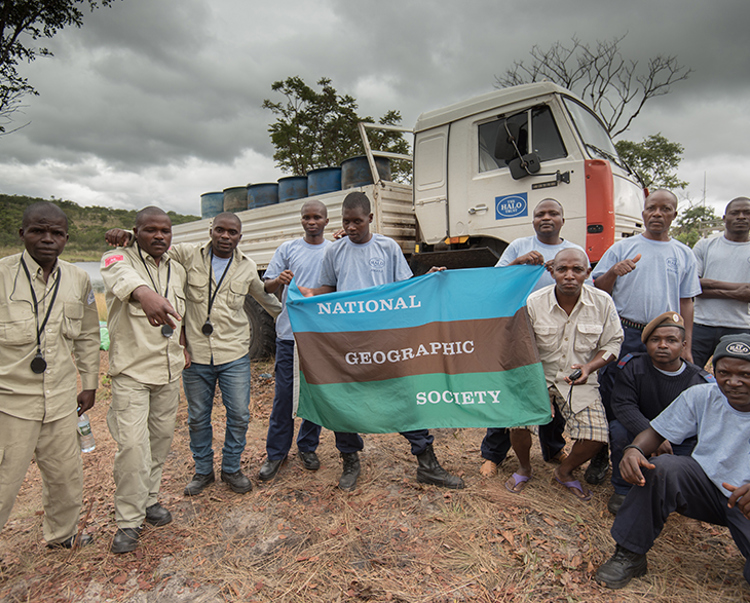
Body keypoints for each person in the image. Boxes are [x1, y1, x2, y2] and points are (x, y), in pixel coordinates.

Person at [105, 212, 283, 496]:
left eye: (232, 232)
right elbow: (152, 244)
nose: (226, 237)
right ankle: (203, 471)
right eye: (220, 230)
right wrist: (127, 234)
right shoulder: (187, 255)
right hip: (196, 355)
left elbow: (268, 301)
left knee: (238, 415)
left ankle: (231, 469)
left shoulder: (247, 267)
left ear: (240, 236)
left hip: (234, 354)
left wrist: (303, 322)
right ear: (211, 231)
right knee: (198, 417)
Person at [302, 191, 464, 492]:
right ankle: (350, 461)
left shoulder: (387, 247)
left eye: (357, 222)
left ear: (370, 219)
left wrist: (427, 279)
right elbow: (329, 286)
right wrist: (309, 295)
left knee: (400, 397)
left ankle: (427, 463)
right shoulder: (334, 252)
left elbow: (403, 289)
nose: (351, 228)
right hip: (347, 342)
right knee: (343, 400)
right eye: (346, 222)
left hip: (385, 342)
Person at [595, 334, 750, 589]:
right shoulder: (703, 395)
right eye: (724, 372)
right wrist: (634, 450)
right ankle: (630, 555)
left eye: (744, 374)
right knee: (662, 468)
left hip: (745, 499)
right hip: (708, 486)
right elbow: (657, 432)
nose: (733, 382)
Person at [0, 202, 100, 549]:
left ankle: (63, 535)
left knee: (65, 476)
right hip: (10, 402)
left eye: (56, 233)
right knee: (4, 482)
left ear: (66, 238)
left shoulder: (78, 279)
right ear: (22, 233)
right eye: (38, 231)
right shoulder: (2, 276)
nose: (47, 239)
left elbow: (88, 335)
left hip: (60, 399)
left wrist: (89, 384)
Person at [589, 189, 701, 485]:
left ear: (674, 215)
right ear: (643, 213)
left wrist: (686, 341)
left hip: (665, 336)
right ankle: (602, 451)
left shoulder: (683, 253)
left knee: (657, 394)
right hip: (625, 331)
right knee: (610, 393)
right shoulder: (622, 248)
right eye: (652, 208)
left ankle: (652, 454)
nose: (657, 214)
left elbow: (686, 300)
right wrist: (614, 271)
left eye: (665, 209)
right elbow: (599, 288)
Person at [102, 207, 188, 554]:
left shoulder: (177, 268)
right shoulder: (115, 256)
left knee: (160, 441)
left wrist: (185, 347)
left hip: (168, 370)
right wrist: (144, 293)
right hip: (132, 372)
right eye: (150, 230)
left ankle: (150, 500)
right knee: (133, 448)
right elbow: (120, 274)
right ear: (135, 231)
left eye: (165, 231)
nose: (159, 236)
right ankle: (128, 519)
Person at [504, 248, 622, 501]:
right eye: (562, 269)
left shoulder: (602, 302)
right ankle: (524, 467)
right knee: (518, 423)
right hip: (538, 376)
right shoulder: (534, 302)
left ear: (587, 273)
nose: (569, 276)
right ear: (552, 272)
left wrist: (590, 368)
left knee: (596, 436)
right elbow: (523, 347)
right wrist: (538, 387)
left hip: (579, 379)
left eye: (577, 270)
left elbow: (613, 344)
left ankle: (565, 471)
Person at [480, 198, 587, 477]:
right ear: (533, 220)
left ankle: (552, 448)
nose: (546, 218)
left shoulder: (573, 251)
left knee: (555, 387)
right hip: (520, 329)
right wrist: (519, 263)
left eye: (554, 213)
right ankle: (494, 454)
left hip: (559, 332)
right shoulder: (518, 246)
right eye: (540, 214)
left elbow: (585, 285)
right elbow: (496, 282)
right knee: (513, 389)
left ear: (564, 219)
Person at [607, 312, 713, 514]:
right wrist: (654, 435)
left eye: (671, 340)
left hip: (678, 440)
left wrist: (665, 436)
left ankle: (668, 492)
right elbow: (623, 405)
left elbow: (700, 426)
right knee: (618, 430)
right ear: (646, 344)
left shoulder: (698, 381)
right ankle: (622, 489)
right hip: (639, 430)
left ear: (683, 346)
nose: (663, 345)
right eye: (655, 340)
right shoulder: (633, 366)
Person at [258, 200, 330, 481]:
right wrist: (279, 280)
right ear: (301, 220)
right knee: (284, 398)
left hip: (321, 336)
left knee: (315, 394)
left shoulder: (334, 249)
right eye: (306, 217)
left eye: (317, 217)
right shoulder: (288, 249)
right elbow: (266, 285)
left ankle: (308, 446)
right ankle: (276, 454)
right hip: (289, 335)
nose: (311, 222)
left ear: (326, 220)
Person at [691, 197, 750, 368]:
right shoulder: (705, 246)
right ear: (724, 218)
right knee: (690, 373)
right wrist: (738, 291)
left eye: (747, 213)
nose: (741, 217)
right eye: (735, 213)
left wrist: (708, 284)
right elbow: (693, 286)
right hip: (702, 325)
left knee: (736, 379)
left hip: (740, 328)